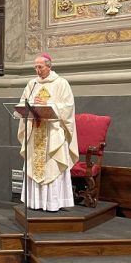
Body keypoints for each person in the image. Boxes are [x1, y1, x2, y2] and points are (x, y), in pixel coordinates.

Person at [17, 54, 78, 212]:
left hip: (52, 133)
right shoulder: (32, 84)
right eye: (35, 67)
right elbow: (23, 102)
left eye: (40, 67)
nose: (37, 70)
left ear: (49, 66)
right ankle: (35, 202)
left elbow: (68, 107)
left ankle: (52, 203)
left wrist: (48, 104)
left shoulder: (61, 83)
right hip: (35, 130)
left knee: (51, 166)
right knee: (34, 165)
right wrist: (28, 106)